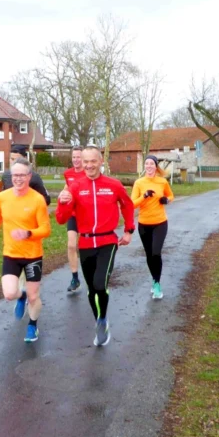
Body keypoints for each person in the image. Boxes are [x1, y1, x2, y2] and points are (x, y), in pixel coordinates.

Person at [55, 146, 135, 347]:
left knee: (100, 284)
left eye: (93, 161)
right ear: (81, 163)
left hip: (107, 241)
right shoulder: (75, 187)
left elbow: (127, 205)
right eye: (85, 161)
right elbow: (61, 219)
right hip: (85, 242)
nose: (89, 165)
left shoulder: (113, 185)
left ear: (101, 162)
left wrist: (128, 230)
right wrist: (62, 203)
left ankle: (102, 318)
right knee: (91, 289)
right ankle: (100, 320)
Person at [0, 159, 51, 342]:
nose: (18, 179)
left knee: (34, 296)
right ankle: (20, 294)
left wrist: (28, 233)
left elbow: (46, 229)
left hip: (33, 255)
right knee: (9, 294)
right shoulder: (3, 197)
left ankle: (32, 325)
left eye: (22, 175)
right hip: (11, 254)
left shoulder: (37, 199)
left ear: (29, 176)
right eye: (15, 175)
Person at [131, 154, 174, 299]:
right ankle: (154, 280)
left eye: (151, 164)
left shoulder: (162, 182)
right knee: (149, 254)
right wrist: (144, 196)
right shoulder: (139, 183)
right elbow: (132, 204)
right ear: (144, 166)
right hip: (144, 224)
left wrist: (166, 200)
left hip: (160, 223)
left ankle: (157, 283)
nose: (149, 166)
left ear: (156, 167)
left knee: (156, 252)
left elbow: (171, 196)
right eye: (147, 164)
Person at [62, 146, 86, 294]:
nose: (76, 160)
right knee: (71, 245)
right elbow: (67, 186)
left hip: (86, 214)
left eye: (79, 157)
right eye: (74, 157)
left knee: (86, 248)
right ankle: (75, 278)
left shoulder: (88, 172)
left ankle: (93, 276)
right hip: (72, 214)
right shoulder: (68, 173)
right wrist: (63, 193)